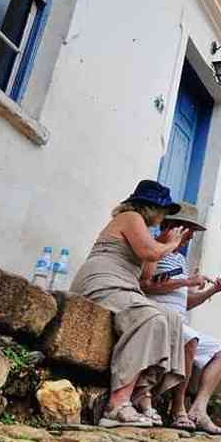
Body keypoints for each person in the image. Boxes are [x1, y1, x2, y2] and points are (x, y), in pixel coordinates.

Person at [69, 180, 187, 427]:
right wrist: (171, 245)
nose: (165, 216)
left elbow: (146, 275)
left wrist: (162, 242)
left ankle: (142, 393)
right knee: (148, 317)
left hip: (126, 286)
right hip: (102, 281)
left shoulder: (144, 230)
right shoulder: (130, 217)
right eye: (164, 210)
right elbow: (149, 252)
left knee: (172, 319)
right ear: (150, 206)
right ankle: (116, 403)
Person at [140, 202, 221, 434]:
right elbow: (147, 286)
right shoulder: (155, 248)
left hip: (180, 320)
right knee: (191, 340)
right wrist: (187, 281)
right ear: (176, 226)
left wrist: (213, 290)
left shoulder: (179, 259)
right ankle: (178, 407)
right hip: (160, 316)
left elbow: (186, 301)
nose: (191, 236)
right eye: (189, 229)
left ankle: (198, 409)